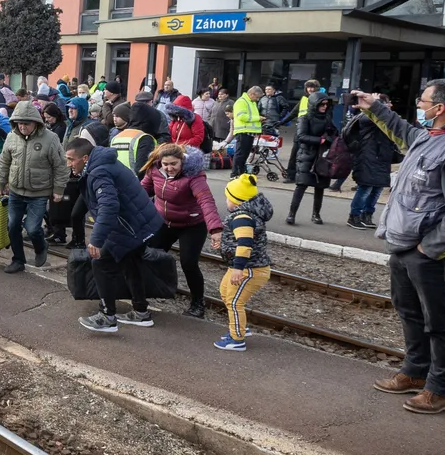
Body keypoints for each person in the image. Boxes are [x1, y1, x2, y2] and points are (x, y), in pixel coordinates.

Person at [356, 82, 445, 414]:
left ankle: (439, 390)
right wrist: (374, 107)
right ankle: (415, 372)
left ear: (439, 108)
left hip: (436, 254)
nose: (418, 105)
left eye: (422, 101)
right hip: (407, 246)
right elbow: (403, 132)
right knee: (410, 312)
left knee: (438, 323)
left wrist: (431, 249)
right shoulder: (434, 136)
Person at [68, 137, 163, 333]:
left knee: (100, 262)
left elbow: (109, 206)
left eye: (71, 159)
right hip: (141, 223)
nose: (69, 164)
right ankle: (141, 312)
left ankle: (107, 317)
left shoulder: (98, 172)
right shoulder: (103, 162)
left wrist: (96, 239)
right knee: (131, 263)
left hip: (129, 227)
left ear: (84, 158)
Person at [140, 143, 223, 318]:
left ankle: (198, 303)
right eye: (166, 164)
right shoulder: (154, 170)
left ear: (182, 161)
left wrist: (215, 229)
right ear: (160, 162)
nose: (169, 168)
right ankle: (148, 291)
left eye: (174, 164)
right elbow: (141, 192)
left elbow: (206, 201)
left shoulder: (194, 175)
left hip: (191, 225)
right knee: (150, 255)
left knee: (189, 263)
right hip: (164, 222)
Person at [0, 101, 68, 273]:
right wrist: (0, 183)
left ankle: (41, 246)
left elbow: (60, 165)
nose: (22, 127)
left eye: (26, 123)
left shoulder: (50, 139)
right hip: (16, 190)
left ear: (36, 122)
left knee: (33, 228)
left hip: (39, 192)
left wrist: (59, 189)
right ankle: (18, 260)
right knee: (12, 225)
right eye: (19, 123)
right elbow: (4, 161)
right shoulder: (12, 137)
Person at [215, 174, 274, 351]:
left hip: (249, 269)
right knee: (225, 293)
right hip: (241, 266)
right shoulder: (244, 215)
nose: (226, 201)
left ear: (236, 200)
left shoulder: (242, 218)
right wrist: (223, 244)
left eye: (228, 197)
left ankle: (237, 339)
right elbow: (237, 239)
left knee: (234, 302)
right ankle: (239, 327)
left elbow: (245, 244)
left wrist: (238, 269)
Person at [342, 102, 398, 230]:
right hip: (368, 157)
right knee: (365, 188)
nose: (389, 107)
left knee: (377, 189)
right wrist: (377, 106)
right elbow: (368, 120)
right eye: (387, 105)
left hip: (382, 158)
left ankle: (367, 215)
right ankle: (354, 216)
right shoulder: (367, 117)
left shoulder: (386, 119)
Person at [286, 92, 336, 226]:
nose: (324, 107)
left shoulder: (327, 118)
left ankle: (316, 214)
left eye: (326, 104)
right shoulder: (305, 118)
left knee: (320, 186)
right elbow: (301, 136)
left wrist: (331, 138)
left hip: (322, 156)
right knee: (301, 185)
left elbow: (334, 133)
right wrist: (321, 140)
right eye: (322, 104)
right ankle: (291, 214)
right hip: (307, 155)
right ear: (315, 104)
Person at [283, 80, 321, 182]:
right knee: (294, 153)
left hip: (312, 130)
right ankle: (291, 175)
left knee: (309, 155)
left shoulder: (320, 99)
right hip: (300, 130)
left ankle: (306, 176)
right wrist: (282, 122)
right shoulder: (304, 98)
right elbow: (294, 112)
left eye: (313, 87)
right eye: (308, 87)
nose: (310, 89)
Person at [110, 103, 154, 174]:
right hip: (135, 179)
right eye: (114, 116)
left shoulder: (115, 138)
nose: (114, 119)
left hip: (117, 178)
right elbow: (142, 168)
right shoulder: (143, 138)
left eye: (117, 116)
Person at [231, 86, 264, 177]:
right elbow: (242, 116)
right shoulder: (241, 102)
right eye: (257, 97)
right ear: (251, 94)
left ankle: (240, 173)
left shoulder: (251, 102)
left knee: (244, 155)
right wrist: (258, 118)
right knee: (240, 154)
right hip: (243, 131)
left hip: (248, 132)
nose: (257, 99)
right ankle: (235, 174)